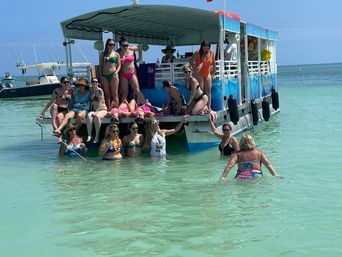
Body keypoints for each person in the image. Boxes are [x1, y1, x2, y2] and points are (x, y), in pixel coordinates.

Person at [118, 37, 146, 105]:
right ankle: (122, 107)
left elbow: (140, 47)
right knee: (125, 93)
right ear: (120, 46)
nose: (125, 47)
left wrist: (139, 58)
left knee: (137, 91)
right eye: (124, 46)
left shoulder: (131, 49)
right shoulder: (118, 53)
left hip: (132, 72)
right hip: (123, 74)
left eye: (127, 45)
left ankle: (145, 105)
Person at [190, 40, 216, 112]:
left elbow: (213, 62)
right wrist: (195, 67)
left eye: (207, 47)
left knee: (208, 90)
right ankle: (200, 108)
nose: (205, 48)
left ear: (209, 47)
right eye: (204, 46)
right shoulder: (197, 52)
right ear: (202, 47)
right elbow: (191, 61)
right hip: (199, 73)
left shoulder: (211, 52)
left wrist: (214, 69)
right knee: (200, 90)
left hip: (207, 73)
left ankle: (209, 107)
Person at [99, 38, 121, 109]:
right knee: (107, 94)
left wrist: (116, 72)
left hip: (113, 74)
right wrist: (101, 75)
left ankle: (116, 110)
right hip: (105, 75)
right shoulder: (102, 54)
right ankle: (108, 109)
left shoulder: (116, 54)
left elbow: (119, 65)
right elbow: (100, 66)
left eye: (113, 44)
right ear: (107, 45)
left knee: (115, 94)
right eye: (110, 44)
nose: (112, 46)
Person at [86, 78, 107, 144]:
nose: (95, 83)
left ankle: (97, 136)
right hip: (94, 109)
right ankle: (89, 135)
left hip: (102, 109)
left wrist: (96, 112)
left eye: (96, 81)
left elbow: (100, 102)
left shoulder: (100, 91)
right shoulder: (91, 91)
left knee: (97, 117)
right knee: (89, 116)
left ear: (98, 83)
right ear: (91, 83)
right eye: (93, 82)